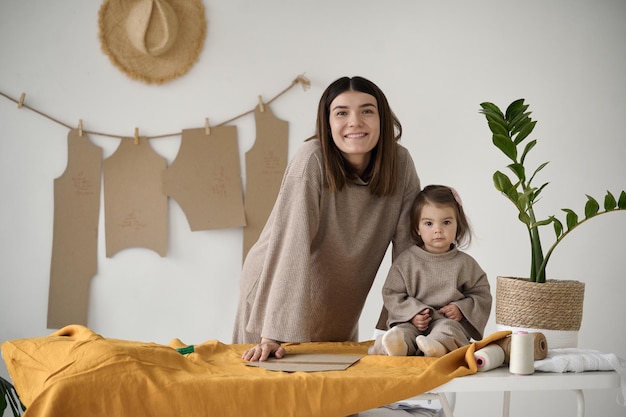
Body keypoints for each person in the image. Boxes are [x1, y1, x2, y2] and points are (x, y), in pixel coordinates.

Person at [233, 76, 421, 361]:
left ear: (382, 119)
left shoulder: (401, 164)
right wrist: (271, 333)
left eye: (367, 111)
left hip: (340, 296)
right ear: (327, 123)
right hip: (276, 292)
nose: (355, 121)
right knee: (270, 393)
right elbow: (291, 244)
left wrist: (406, 323)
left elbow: (410, 251)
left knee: (335, 397)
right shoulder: (311, 160)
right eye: (342, 112)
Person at [374, 185, 492, 357]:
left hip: (447, 322)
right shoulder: (406, 262)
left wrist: (460, 308)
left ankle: (436, 347)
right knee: (403, 332)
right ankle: (399, 347)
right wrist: (412, 314)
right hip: (414, 323)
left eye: (446, 222)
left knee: (448, 330)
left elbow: (482, 295)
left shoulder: (465, 264)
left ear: (458, 225)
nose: (438, 229)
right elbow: (391, 294)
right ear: (417, 228)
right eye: (429, 223)